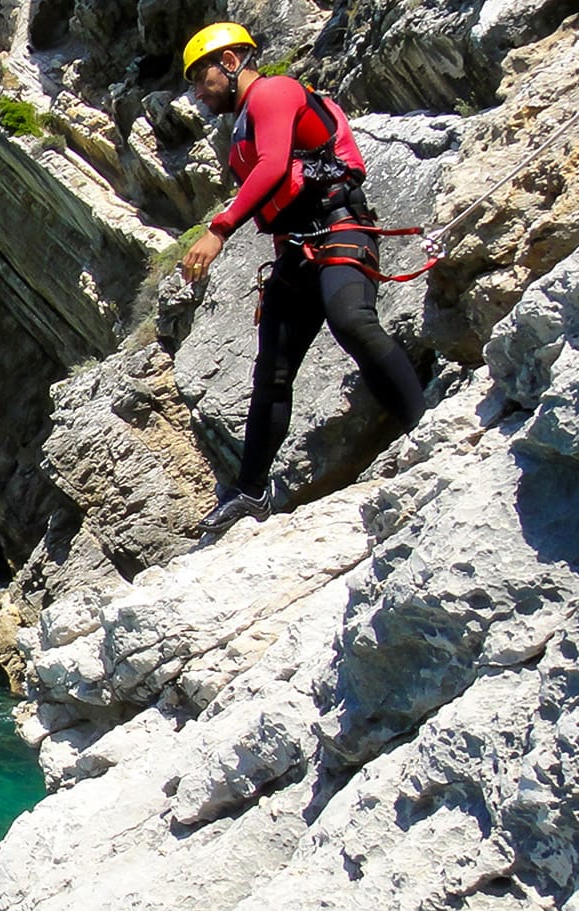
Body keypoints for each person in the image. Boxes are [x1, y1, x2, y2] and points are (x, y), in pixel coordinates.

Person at [178, 22, 426, 533]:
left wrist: (219, 229)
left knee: (351, 319)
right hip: (298, 251)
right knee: (271, 372)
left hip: (341, 228)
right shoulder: (242, 123)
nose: (198, 93)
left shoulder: (274, 91)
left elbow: (273, 167)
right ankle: (248, 493)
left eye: (201, 78)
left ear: (230, 63)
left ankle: (426, 428)